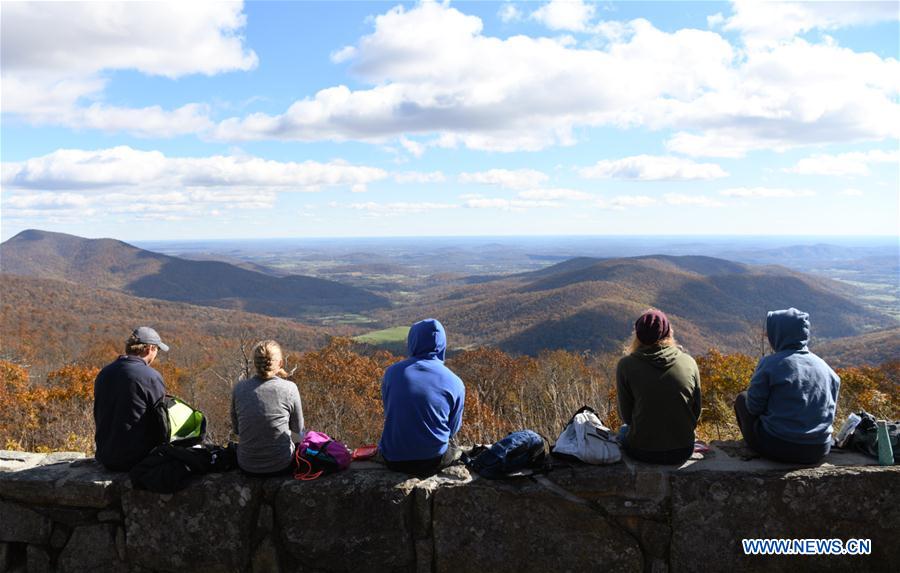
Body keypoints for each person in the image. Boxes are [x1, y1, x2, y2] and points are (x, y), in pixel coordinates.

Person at [734, 308, 840, 464]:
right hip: (819, 449)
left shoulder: (770, 364)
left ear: (778, 335)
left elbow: (753, 407)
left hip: (780, 446)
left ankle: (756, 444)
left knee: (742, 399)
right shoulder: (827, 369)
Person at [379, 319, 465, 477]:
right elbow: (452, 429)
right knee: (455, 448)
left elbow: (389, 411)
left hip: (393, 458)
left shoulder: (392, 373)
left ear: (412, 341)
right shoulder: (455, 382)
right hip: (434, 459)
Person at [616, 309, 701, 465]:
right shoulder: (689, 362)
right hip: (683, 450)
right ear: (668, 333)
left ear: (637, 335)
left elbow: (627, 417)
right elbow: (696, 412)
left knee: (622, 431)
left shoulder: (626, 365)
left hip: (642, 451)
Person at [94, 327, 169, 471]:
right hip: (136, 458)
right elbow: (162, 420)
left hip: (104, 455)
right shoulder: (150, 376)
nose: (156, 355)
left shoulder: (104, 373)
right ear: (149, 349)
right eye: (157, 350)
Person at [231, 340, 304, 476]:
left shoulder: (239, 388)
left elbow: (237, 429)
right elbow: (298, 432)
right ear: (280, 363)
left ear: (254, 363)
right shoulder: (289, 389)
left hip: (247, 464)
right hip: (282, 464)